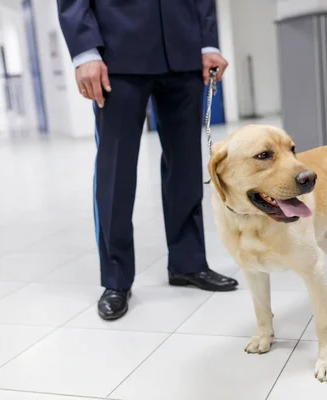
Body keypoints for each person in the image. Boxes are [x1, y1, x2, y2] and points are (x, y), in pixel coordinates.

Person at [57, 0, 238, 321]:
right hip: (116, 55)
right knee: (116, 172)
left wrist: (207, 40)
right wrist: (85, 51)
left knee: (185, 169)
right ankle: (115, 279)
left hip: (183, 54)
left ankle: (188, 263)